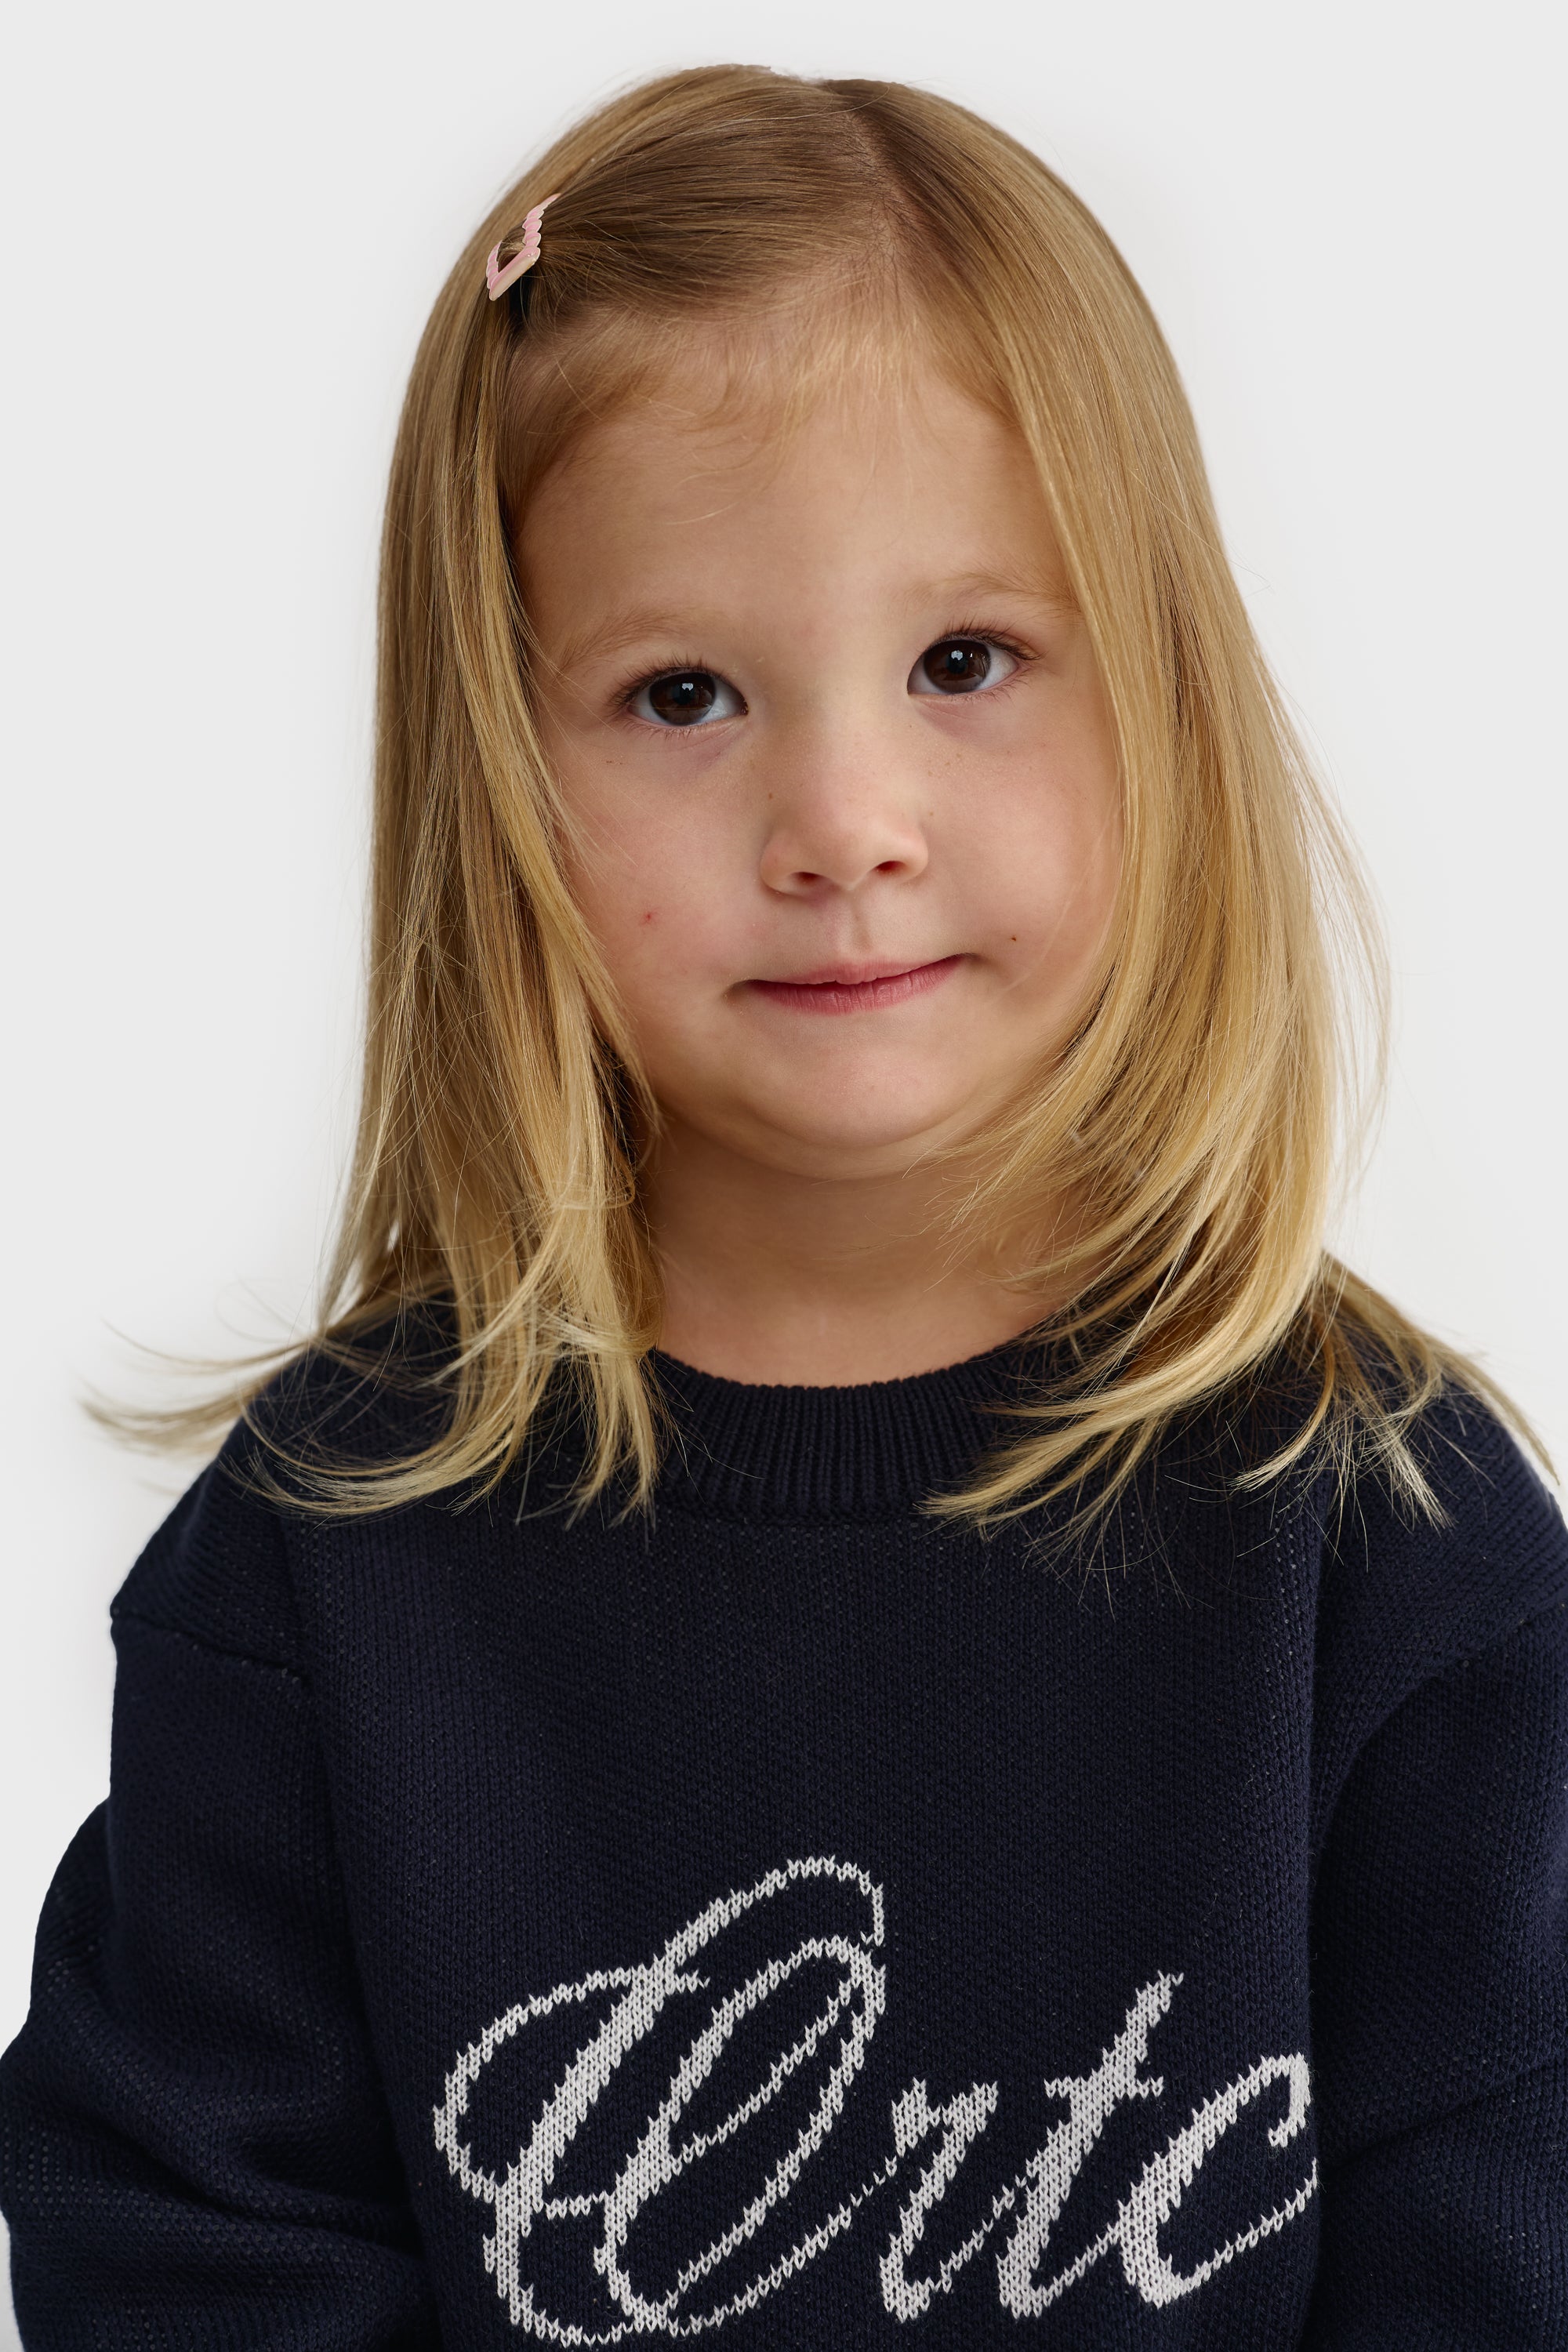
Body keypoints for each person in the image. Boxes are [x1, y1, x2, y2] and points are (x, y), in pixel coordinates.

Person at [2, 62, 1564, 2349]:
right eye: (682, 693)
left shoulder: (1388, 1538)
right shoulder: (323, 1563)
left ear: (1164, 695)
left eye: (963, 662)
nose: (843, 820)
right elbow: (187, 2259)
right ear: (498, 771)